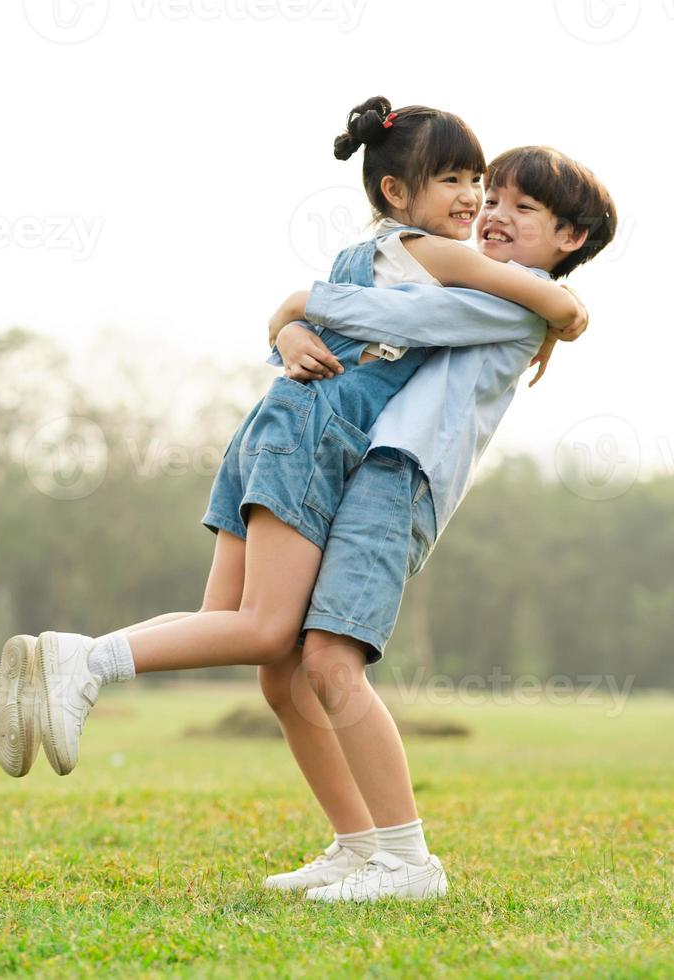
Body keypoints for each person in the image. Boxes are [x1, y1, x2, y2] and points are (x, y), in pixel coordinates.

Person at [0, 99, 583, 791]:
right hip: (314, 435)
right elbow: (546, 301)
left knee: (224, 623)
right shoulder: (440, 254)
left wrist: (288, 324)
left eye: (474, 177)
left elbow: (333, 327)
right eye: (453, 179)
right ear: (397, 192)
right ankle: (82, 661)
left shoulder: (362, 254)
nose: (473, 198)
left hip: (273, 422)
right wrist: (561, 318)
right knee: (270, 632)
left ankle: (49, 678)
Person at [256, 145, 618, 901]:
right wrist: (287, 332)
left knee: (328, 660)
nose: (493, 212)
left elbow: (401, 312)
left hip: (402, 477)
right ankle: (360, 848)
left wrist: (300, 304)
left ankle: (407, 862)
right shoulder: (515, 293)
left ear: (569, 239)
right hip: (376, 467)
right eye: (494, 198)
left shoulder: (515, 296)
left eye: (524, 208)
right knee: (294, 667)